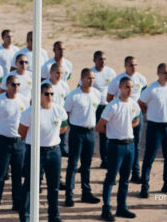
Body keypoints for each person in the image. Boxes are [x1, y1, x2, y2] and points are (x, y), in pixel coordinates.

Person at [18, 82, 68, 222]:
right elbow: (21, 131)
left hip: (54, 151)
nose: (50, 96)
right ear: (39, 95)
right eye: (46, 94)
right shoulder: (30, 112)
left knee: (54, 186)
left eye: (52, 94)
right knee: (30, 185)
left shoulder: (59, 110)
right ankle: (26, 216)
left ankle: (54, 215)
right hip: (35, 151)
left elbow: (63, 127)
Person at [96, 77, 141, 221]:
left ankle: (122, 207)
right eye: (127, 87)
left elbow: (136, 119)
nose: (130, 90)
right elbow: (100, 126)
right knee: (111, 178)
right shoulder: (113, 106)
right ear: (120, 87)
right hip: (116, 146)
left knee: (125, 179)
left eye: (132, 87)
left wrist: (126, 127)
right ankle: (106, 209)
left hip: (130, 145)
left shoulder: (134, 104)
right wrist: (112, 133)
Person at [0, 75, 29, 216]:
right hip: (3, 142)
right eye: (13, 84)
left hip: (19, 142)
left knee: (18, 176)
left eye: (18, 84)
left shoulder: (23, 100)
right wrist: (1, 131)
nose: (16, 87)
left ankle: (17, 203)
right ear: (7, 85)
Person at [138, 63, 167, 198]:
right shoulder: (152, 89)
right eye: (164, 73)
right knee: (149, 156)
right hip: (155, 127)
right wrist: (149, 113)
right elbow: (141, 102)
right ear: (158, 73)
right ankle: (145, 185)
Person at [63, 68, 102, 207]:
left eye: (93, 78)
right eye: (88, 78)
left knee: (86, 164)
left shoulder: (97, 94)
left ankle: (86, 192)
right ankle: (69, 194)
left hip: (90, 133)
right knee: (73, 164)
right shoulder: (74, 96)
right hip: (77, 132)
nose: (91, 81)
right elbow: (65, 113)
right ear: (82, 78)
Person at [106, 56, 148, 183]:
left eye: (135, 65)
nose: (133, 67)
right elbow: (109, 98)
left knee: (135, 144)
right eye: (130, 65)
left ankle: (135, 173)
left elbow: (144, 96)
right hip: (121, 114)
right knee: (119, 143)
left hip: (136, 114)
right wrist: (118, 111)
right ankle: (114, 174)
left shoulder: (141, 79)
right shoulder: (117, 80)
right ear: (125, 66)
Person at [91, 51, 117, 169]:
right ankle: (88, 160)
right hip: (95, 107)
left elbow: (116, 88)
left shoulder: (110, 72)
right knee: (93, 132)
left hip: (107, 106)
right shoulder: (91, 73)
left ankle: (106, 159)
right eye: (100, 59)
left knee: (106, 134)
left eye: (104, 59)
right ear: (94, 60)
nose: (103, 61)